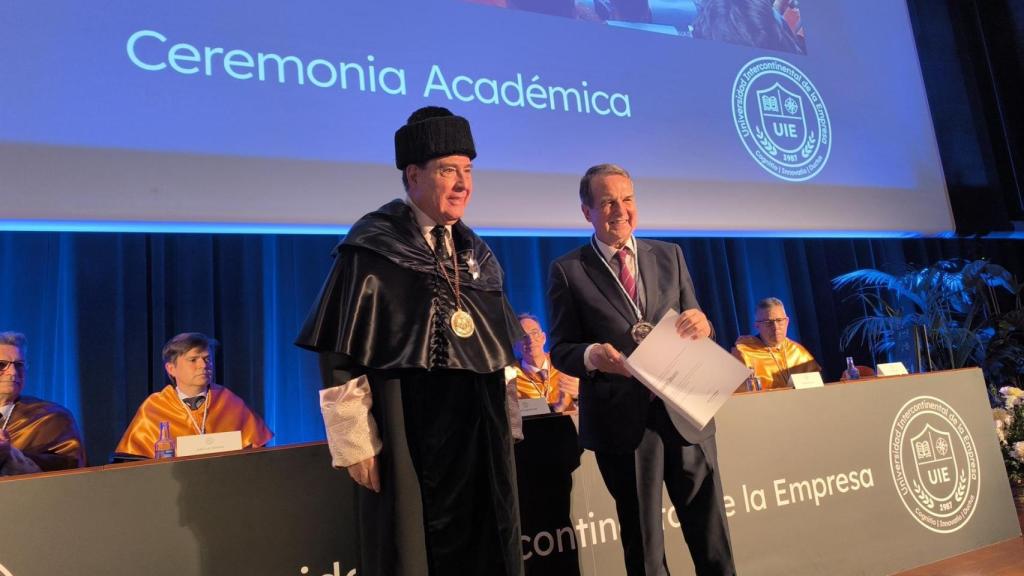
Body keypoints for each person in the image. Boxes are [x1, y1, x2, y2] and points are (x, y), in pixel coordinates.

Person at [295, 107, 524, 576]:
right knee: (413, 548)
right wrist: (358, 443)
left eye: (467, 171)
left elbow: (495, 351)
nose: (463, 184)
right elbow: (341, 354)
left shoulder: (476, 253)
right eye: (448, 171)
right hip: (407, 431)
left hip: (478, 437)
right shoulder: (373, 246)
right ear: (413, 174)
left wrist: (507, 419)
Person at [547, 164, 735, 575]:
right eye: (608, 201)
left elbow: (696, 318)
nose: (620, 210)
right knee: (644, 545)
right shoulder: (568, 270)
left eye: (627, 199)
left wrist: (704, 322)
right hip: (623, 424)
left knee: (711, 535)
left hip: (685, 412)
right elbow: (560, 349)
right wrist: (593, 355)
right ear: (587, 212)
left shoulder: (670, 255)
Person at [115, 332, 273, 458]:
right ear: (171, 369)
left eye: (207, 359)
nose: (203, 365)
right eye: (193, 360)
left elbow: (258, 451)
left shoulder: (228, 401)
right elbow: (133, 461)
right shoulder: (154, 407)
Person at [0, 331, 85, 475]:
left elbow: (70, 468)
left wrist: (10, 456)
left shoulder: (51, 417)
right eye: (2, 365)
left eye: (19, 365)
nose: (13, 372)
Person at [732, 296, 821, 390]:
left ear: (787, 321)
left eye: (779, 320)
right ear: (757, 325)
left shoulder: (798, 352)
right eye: (768, 322)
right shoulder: (744, 353)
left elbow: (817, 388)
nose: (775, 327)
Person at [513, 313, 579, 413]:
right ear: (514, 344)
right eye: (523, 336)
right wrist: (557, 407)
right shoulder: (511, 378)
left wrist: (577, 395)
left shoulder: (563, 364)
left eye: (534, 333)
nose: (530, 340)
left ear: (543, 338)